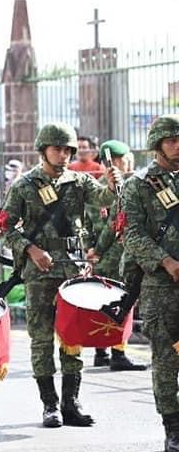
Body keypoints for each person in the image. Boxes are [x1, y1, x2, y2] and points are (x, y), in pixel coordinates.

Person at [0, 123, 119, 429]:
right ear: (43, 151)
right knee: (41, 340)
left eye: (67, 150)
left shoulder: (79, 181)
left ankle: (71, 402)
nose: (63, 154)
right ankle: (49, 404)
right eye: (57, 149)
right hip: (40, 271)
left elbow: (104, 200)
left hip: (73, 270)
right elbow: (5, 227)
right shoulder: (25, 185)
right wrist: (30, 250)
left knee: (72, 337)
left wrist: (113, 183)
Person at [121, 115, 179, 452]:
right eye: (170, 140)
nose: (177, 146)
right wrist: (166, 261)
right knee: (167, 356)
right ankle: (173, 428)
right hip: (160, 284)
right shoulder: (139, 184)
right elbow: (131, 233)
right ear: (157, 145)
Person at [86, 139, 146, 371]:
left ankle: (101, 352)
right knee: (123, 303)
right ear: (118, 161)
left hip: (100, 257)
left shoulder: (96, 190)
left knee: (104, 304)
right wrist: (99, 250)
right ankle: (119, 353)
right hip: (119, 254)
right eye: (127, 157)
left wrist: (91, 251)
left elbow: (88, 226)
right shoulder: (124, 188)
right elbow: (115, 223)